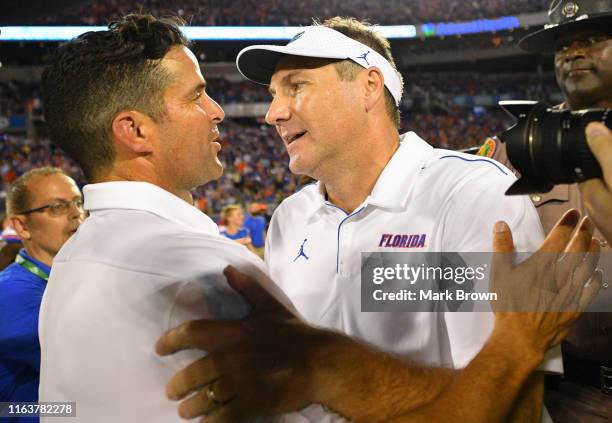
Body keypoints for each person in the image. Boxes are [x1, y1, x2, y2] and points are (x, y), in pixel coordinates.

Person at [157, 17, 575, 422]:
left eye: (296, 86)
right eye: (272, 94)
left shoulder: (471, 194)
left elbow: (508, 400)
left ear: (369, 86)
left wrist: (329, 370)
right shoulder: (290, 218)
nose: (273, 113)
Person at [36, 14, 296, 423]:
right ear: (135, 131)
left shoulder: (69, 260)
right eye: (196, 96)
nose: (217, 111)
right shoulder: (212, 269)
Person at [479, 1, 612, 418]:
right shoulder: (517, 147)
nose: (573, 53)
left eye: (591, 39)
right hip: (568, 394)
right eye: (563, 45)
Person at [0, 167, 83, 421]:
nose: (76, 214)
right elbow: (99, 361)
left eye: (78, 203)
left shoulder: (68, 277)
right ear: (22, 226)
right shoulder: (10, 295)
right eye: (57, 207)